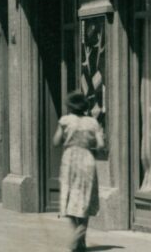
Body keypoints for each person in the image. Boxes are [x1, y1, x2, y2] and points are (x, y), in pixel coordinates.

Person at [55, 91, 105, 252]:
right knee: (85, 198)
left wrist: (67, 137)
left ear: (69, 106)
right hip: (87, 159)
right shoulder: (93, 122)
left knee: (68, 197)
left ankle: (76, 237)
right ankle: (81, 237)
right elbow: (101, 145)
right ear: (85, 106)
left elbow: (56, 141)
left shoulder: (65, 120)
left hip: (70, 159)